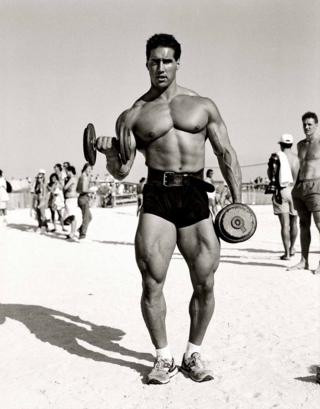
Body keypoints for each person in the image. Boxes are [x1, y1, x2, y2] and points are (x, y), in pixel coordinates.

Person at [96, 33, 242, 384]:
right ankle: (163, 358)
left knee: (205, 281)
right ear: (146, 64)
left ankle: (193, 352)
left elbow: (225, 153)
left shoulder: (203, 105)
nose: (160, 67)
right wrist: (111, 155)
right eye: (154, 61)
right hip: (157, 197)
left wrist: (237, 203)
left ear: (178, 62)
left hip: (194, 195)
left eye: (167, 61)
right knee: (151, 282)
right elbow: (123, 170)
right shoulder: (132, 115)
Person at [289, 111, 320, 274]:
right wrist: (295, 187)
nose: (306, 127)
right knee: (303, 225)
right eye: (304, 124)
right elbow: (300, 166)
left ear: (316, 125)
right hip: (301, 187)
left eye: (309, 124)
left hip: (317, 186)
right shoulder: (300, 145)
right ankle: (304, 261)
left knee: (319, 224)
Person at [268, 134, 300, 260]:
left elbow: (271, 176)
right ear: (291, 145)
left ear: (281, 144)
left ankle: (286, 253)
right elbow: (298, 177)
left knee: (284, 225)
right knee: (294, 222)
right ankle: (292, 248)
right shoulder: (297, 158)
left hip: (282, 191)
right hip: (294, 191)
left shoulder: (277, 157)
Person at [76, 163, 93, 240]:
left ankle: (80, 229)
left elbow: (77, 189)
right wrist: (91, 191)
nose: (90, 171)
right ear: (85, 168)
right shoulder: (84, 177)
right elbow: (84, 189)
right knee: (86, 218)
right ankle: (82, 235)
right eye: (89, 169)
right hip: (84, 198)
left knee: (89, 217)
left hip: (81, 198)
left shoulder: (81, 177)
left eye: (91, 169)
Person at [63, 165, 79, 241]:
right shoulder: (74, 178)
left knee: (71, 216)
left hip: (71, 199)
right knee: (73, 216)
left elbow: (65, 187)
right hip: (71, 199)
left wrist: (64, 181)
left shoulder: (72, 179)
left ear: (70, 171)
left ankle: (72, 233)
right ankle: (72, 233)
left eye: (67, 171)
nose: (66, 173)